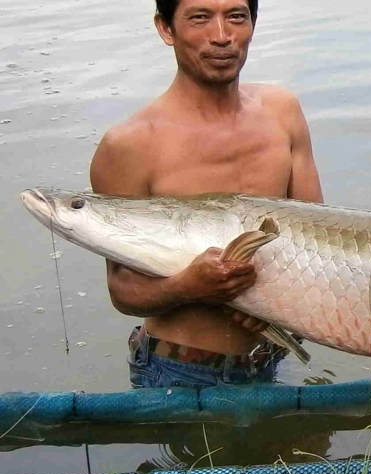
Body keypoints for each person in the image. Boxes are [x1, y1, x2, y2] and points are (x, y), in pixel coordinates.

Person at [88, 0, 323, 389]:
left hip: (276, 354)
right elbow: (122, 289)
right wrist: (186, 286)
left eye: (236, 16)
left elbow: (317, 239)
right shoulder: (129, 146)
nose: (222, 36)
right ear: (166, 29)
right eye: (200, 18)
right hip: (182, 371)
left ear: (252, 24)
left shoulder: (283, 112)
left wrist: (278, 303)